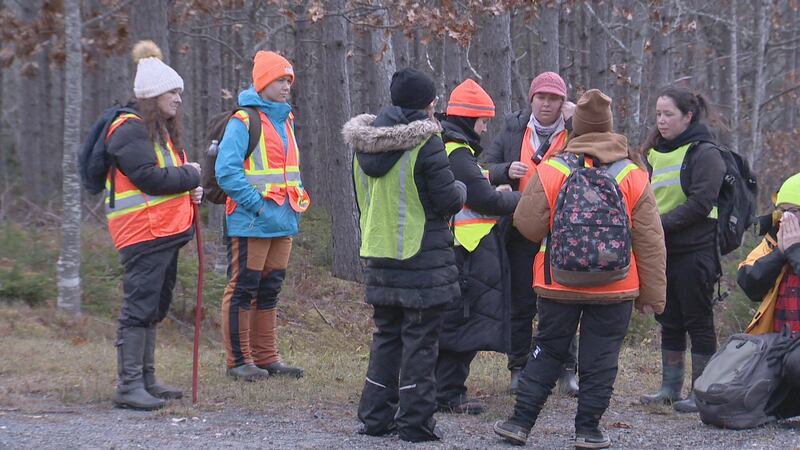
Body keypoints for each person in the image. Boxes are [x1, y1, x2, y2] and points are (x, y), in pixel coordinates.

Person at [493, 89, 666, 449]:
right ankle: (588, 430)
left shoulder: (555, 168)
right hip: (616, 285)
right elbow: (650, 240)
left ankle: (520, 423)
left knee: (548, 348)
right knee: (601, 355)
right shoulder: (633, 174)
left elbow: (527, 224)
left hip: (559, 282)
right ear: (609, 127)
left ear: (576, 128)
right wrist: (652, 295)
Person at [343, 68, 466, 442]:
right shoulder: (426, 143)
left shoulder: (363, 144)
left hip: (379, 254)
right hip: (421, 258)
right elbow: (447, 200)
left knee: (387, 337)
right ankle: (415, 423)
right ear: (427, 104)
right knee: (421, 341)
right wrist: (461, 187)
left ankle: (376, 417)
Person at [106, 40, 203, 410]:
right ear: (153, 95)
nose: (179, 98)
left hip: (162, 233)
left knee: (153, 306)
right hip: (142, 234)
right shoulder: (129, 129)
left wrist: (189, 190)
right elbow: (149, 177)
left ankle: (145, 379)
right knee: (139, 307)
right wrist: (189, 174)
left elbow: (167, 179)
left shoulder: (158, 129)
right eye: (172, 92)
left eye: (179, 91)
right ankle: (129, 385)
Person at [480, 71, 579, 395]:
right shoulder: (513, 131)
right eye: (542, 97)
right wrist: (504, 172)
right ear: (531, 99)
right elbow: (484, 167)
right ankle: (518, 368)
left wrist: (575, 119)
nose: (547, 104)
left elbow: (597, 155)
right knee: (521, 302)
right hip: (520, 229)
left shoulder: (574, 133)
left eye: (554, 99)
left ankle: (566, 370)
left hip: (564, 231)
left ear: (563, 103)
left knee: (563, 302)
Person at [216, 51, 309, 382]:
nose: (286, 86)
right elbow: (226, 172)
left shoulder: (286, 120)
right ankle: (239, 361)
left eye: (289, 80)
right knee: (244, 287)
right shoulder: (244, 121)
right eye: (280, 80)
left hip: (283, 221)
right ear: (263, 82)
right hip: (251, 222)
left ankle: (267, 358)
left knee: (269, 289)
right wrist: (255, 205)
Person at [435, 79, 521, 415]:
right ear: (470, 120)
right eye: (483, 121)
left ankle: (445, 389)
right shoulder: (457, 153)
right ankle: (449, 393)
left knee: (456, 322)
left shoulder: (452, 150)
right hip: (464, 251)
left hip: (460, 248)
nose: (486, 128)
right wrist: (520, 197)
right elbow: (484, 199)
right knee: (461, 324)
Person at [638, 87, 726, 413]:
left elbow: (701, 203)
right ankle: (670, 388)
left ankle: (701, 392)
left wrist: (657, 225)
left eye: (668, 114)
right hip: (663, 249)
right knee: (670, 319)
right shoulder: (654, 152)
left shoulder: (705, 152)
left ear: (688, 117)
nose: (661, 121)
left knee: (698, 320)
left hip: (695, 250)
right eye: (658, 114)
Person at [739, 174, 800, 420]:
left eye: (794, 212)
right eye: (781, 213)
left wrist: (795, 251)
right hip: (780, 342)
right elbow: (748, 282)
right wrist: (781, 254)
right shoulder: (775, 241)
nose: (786, 220)